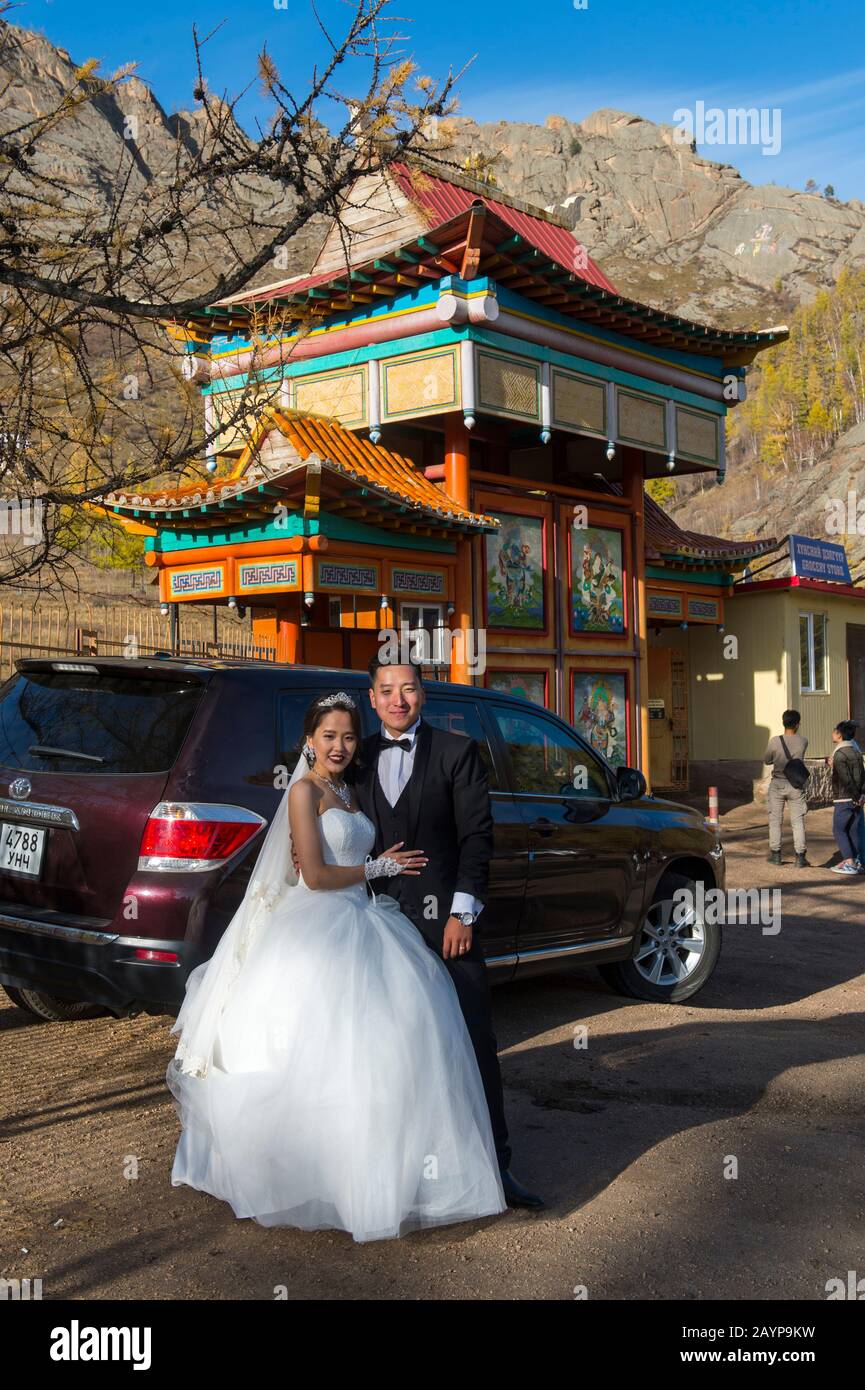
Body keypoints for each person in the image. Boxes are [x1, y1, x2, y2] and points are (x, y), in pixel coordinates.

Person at [166, 690, 509, 1242]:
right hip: (319, 924)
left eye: (349, 736)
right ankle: (310, 1172)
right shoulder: (303, 792)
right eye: (328, 736)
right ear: (309, 740)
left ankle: (385, 1173)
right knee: (316, 1051)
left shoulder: (349, 790)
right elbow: (315, 877)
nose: (340, 745)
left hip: (366, 917)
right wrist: (379, 865)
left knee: (390, 1048)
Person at [349, 654, 543, 1212]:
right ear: (372, 698)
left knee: (473, 1039)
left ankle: (497, 1168)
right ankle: (400, 1175)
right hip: (373, 925)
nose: (398, 700)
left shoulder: (458, 753)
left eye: (408, 689)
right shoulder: (354, 758)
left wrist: (463, 913)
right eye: (386, 690)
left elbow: (477, 837)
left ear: (422, 695)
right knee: (389, 1050)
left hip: (446, 926)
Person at [764, 710, 809, 867]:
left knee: (775, 820)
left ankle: (776, 856)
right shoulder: (803, 741)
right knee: (797, 821)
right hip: (796, 785)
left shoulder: (774, 741)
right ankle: (800, 858)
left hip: (777, 784)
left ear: (783, 722)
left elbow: (767, 760)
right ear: (797, 724)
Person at [828, 720, 865, 875]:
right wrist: (862, 795)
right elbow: (862, 775)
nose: (832, 733)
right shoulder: (856, 751)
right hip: (858, 798)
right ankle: (858, 861)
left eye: (835, 731)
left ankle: (849, 862)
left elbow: (846, 778)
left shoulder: (839, 754)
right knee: (854, 830)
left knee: (838, 830)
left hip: (844, 798)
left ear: (840, 735)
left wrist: (856, 796)